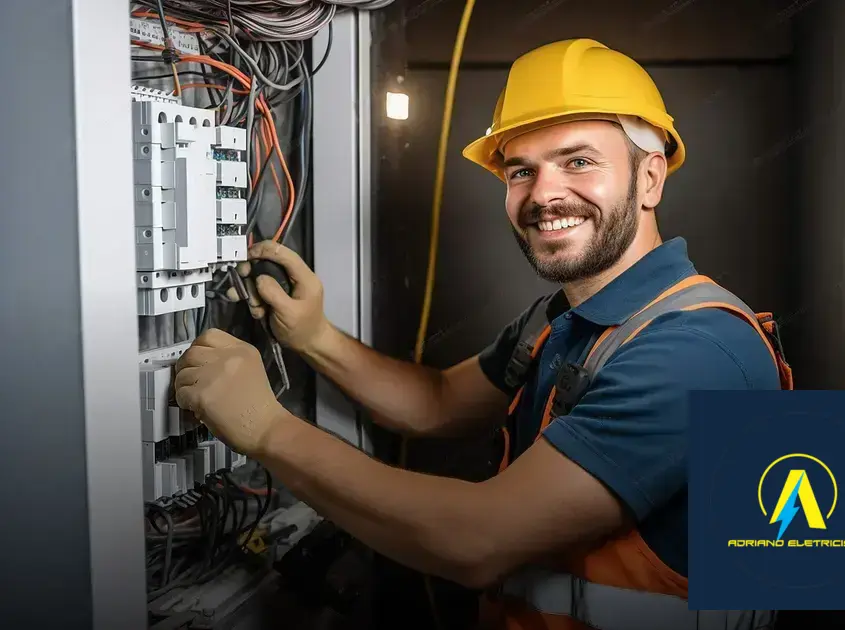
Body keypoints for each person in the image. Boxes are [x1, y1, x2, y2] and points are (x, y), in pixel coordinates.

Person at [174, 39, 790, 629]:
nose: (544, 194)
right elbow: (436, 403)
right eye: (521, 171)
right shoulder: (560, 321)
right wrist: (314, 336)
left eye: (578, 161)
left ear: (650, 178)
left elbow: (478, 542)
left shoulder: (698, 350)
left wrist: (266, 428)